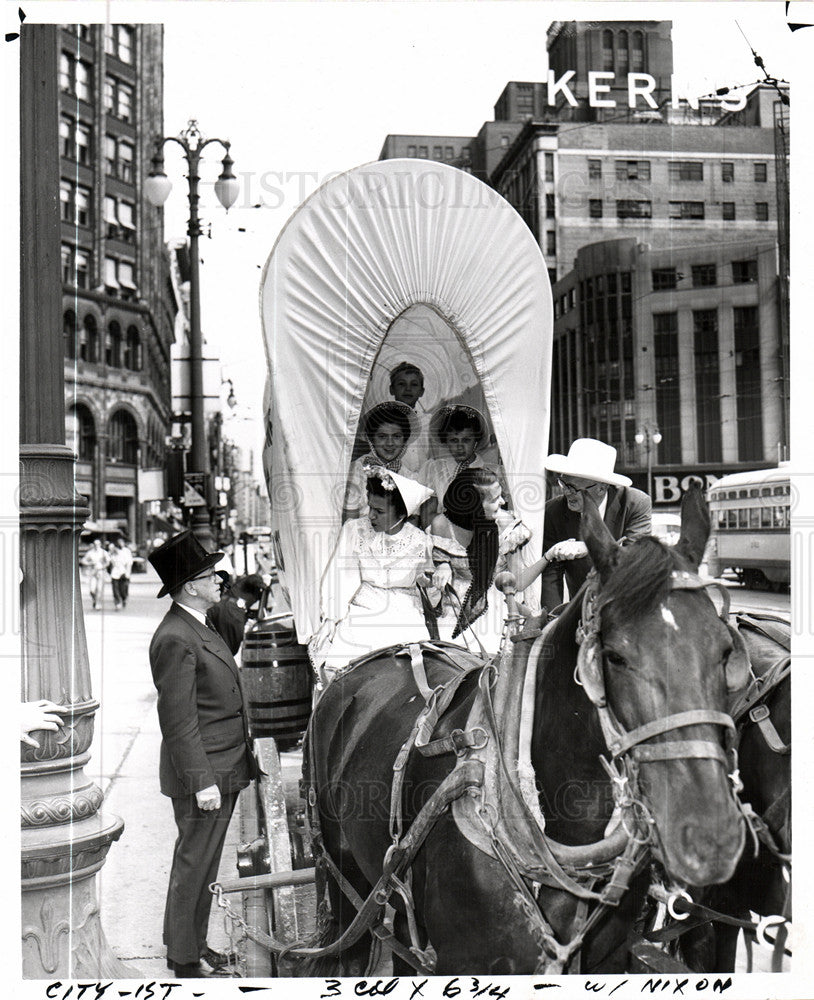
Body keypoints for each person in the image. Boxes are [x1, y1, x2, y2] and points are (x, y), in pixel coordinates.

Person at [148, 530, 259, 978]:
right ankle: (182, 959)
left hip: (223, 764)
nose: (220, 580)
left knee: (205, 861)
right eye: (211, 574)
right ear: (191, 585)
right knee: (193, 862)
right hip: (206, 772)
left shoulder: (198, 622)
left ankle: (193, 945)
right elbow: (177, 722)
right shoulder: (175, 636)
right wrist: (202, 782)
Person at [310, 468, 439, 683]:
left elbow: (432, 595)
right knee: (341, 673)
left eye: (379, 511)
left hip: (404, 614)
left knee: (413, 674)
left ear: (401, 514)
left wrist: (430, 584)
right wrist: (332, 617)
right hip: (363, 609)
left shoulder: (420, 541)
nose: (371, 515)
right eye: (370, 507)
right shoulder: (355, 530)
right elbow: (341, 577)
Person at [428, 468, 551, 654]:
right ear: (473, 506)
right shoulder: (442, 525)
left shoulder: (505, 526)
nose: (502, 502)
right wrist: (442, 565)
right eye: (494, 500)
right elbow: (437, 560)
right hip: (452, 610)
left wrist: (549, 556)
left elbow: (520, 582)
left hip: (494, 608)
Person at [540, 438, 653, 610]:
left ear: (601, 488)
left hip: (630, 605)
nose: (566, 492)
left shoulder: (636, 504)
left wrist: (587, 547)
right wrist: (552, 620)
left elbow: (634, 560)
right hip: (582, 609)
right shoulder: (552, 511)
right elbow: (551, 574)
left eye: (573, 488)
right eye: (563, 483)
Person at [419, 405, 495, 525]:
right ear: (446, 441)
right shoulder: (434, 469)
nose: (460, 447)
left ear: (476, 440)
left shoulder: (490, 472)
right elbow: (426, 518)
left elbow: (493, 519)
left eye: (466, 440)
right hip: (441, 537)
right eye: (454, 440)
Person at [343, 401, 420, 519]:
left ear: (405, 440)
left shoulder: (410, 477)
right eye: (382, 436)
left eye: (396, 436)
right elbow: (350, 521)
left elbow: (411, 521)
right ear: (371, 439)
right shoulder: (355, 471)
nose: (390, 443)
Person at [206, 573, 265, 656]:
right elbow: (253, 581)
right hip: (232, 612)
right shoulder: (256, 580)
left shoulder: (243, 582)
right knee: (228, 651)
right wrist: (263, 585)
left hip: (219, 606)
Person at [388, 361, 433, 469]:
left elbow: (435, 456)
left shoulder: (430, 422)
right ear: (392, 389)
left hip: (425, 481)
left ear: (421, 391)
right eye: (402, 384)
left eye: (414, 384)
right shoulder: (383, 421)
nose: (408, 389)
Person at [82, 538, 110, 610]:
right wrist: (89, 563)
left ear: (100, 545)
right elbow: (83, 560)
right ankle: (94, 600)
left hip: (101, 572)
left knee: (99, 589)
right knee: (92, 590)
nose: (96, 545)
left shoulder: (104, 552)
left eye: (98, 544)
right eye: (95, 544)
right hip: (92, 572)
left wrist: (103, 566)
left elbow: (108, 562)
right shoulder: (90, 553)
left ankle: (98, 603)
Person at [109, 536, 134, 610]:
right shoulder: (113, 553)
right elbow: (110, 562)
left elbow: (129, 563)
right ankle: (117, 603)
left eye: (121, 542)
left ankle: (124, 599)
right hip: (115, 573)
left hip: (123, 572)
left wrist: (127, 573)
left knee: (123, 589)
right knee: (115, 589)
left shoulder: (126, 552)